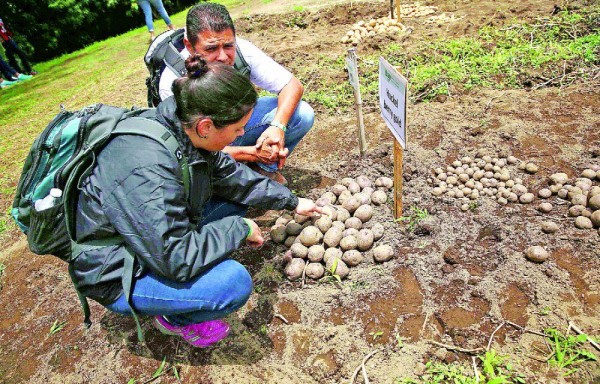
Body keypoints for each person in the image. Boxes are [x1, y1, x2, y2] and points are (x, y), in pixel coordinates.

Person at [71, 55, 322, 348]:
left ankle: (178, 295)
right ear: (205, 126)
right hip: (114, 269)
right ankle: (173, 318)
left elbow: (232, 178)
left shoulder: (181, 126)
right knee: (231, 285)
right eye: (238, 129)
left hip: (147, 238)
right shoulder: (147, 168)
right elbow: (174, 258)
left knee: (236, 201)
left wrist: (291, 202)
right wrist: (237, 229)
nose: (243, 135)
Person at [159, 3, 315, 185]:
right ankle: (228, 177)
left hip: (231, 130)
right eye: (211, 49)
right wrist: (252, 153)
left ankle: (262, 171)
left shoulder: (243, 51)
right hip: (202, 145)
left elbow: (292, 85)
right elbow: (189, 149)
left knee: (302, 114)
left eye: (228, 46)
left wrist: (277, 127)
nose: (223, 57)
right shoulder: (172, 80)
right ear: (189, 45)